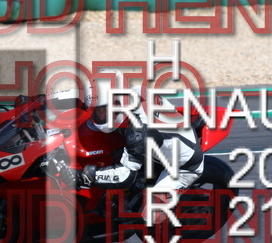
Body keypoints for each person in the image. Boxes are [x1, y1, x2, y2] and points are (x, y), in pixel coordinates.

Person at [72, 69, 205, 223]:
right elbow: (76, 96)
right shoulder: (127, 94)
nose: (102, 116)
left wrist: (84, 176)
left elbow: (125, 176)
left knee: (151, 217)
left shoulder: (139, 132)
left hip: (183, 166)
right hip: (159, 139)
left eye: (106, 110)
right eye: (97, 111)